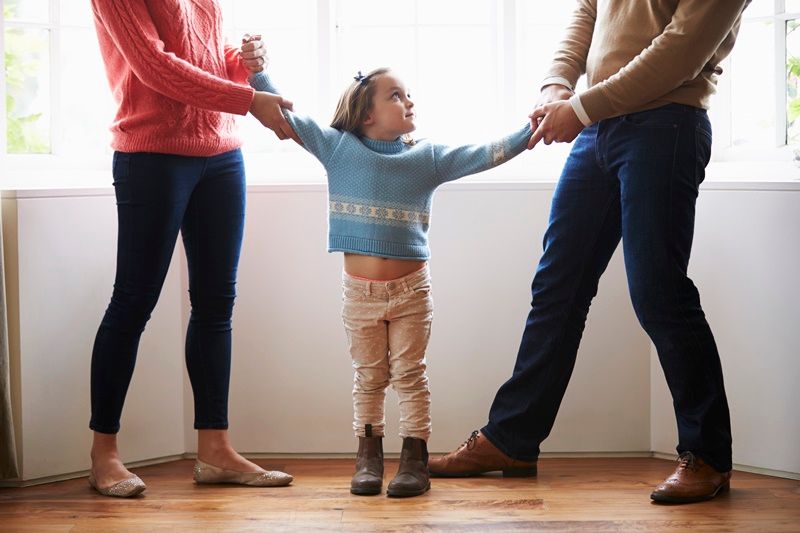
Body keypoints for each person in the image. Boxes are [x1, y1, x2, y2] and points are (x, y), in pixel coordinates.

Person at [428, 0, 750, 504]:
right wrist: (557, 86)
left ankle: (707, 455)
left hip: (665, 125)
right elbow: (587, 12)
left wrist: (579, 109)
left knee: (659, 293)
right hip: (600, 128)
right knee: (557, 286)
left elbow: (681, 50)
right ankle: (512, 439)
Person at [239, 37, 532, 497]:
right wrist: (257, 71)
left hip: (412, 290)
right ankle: (369, 457)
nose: (408, 100)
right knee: (370, 376)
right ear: (366, 114)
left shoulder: (427, 157)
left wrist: (532, 129)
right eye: (396, 95)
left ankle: (414, 458)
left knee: (411, 374)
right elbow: (284, 118)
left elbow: (487, 153)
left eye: (407, 93)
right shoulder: (336, 147)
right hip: (360, 294)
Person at [88, 0, 299, 497]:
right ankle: (104, 454)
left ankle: (215, 450)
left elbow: (206, 55)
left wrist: (244, 62)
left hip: (222, 156)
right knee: (133, 301)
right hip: (153, 155)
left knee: (215, 304)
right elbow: (155, 65)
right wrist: (248, 100)